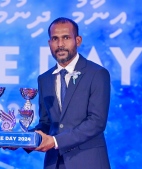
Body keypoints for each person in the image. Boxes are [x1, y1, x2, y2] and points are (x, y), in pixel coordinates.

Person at [32, 17, 111, 169]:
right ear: (49, 43)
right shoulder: (44, 79)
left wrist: (55, 141)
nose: (60, 44)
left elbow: (96, 122)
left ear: (78, 40)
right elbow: (46, 123)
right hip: (54, 163)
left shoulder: (97, 74)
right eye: (55, 39)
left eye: (66, 38)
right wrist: (25, 139)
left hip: (88, 162)